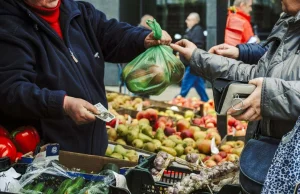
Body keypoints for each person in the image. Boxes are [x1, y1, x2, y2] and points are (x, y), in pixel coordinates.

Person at [0, 0, 171, 156]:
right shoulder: (9, 25)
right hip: (46, 155)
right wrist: (62, 104)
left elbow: (112, 34)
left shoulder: (79, 12)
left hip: (92, 148)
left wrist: (142, 38)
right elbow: (11, 89)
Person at [171, 0, 300, 191]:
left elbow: (268, 85)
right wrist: (198, 57)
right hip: (269, 168)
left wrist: (269, 95)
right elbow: (256, 76)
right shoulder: (287, 24)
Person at [178, 12, 208, 102]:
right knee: (199, 85)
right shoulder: (192, 30)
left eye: (188, 19)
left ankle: (177, 101)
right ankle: (206, 102)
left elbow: (198, 46)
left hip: (192, 63)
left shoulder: (197, 30)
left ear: (195, 20)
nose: (186, 21)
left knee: (185, 86)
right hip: (193, 63)